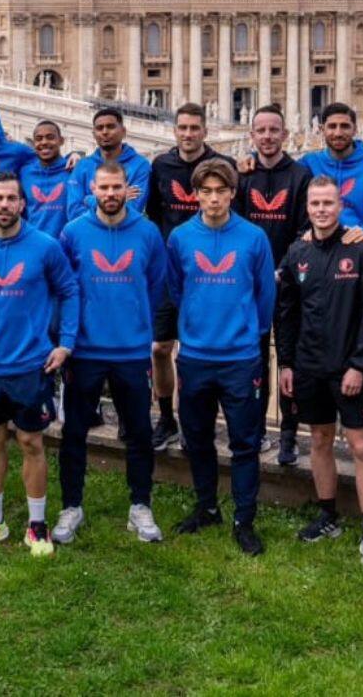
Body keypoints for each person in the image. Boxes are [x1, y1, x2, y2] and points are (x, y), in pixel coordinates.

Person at [0, 171, 78, 556]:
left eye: (11, 199)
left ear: (23, 203)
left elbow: (69, 292)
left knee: (30, 441)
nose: (4, 205)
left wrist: (66, 344)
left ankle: (38, 525)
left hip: (30, 365)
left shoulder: (45, 246)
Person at [164, 157, 277, 556]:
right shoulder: (179, 237)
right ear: (196, 195)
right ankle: (206, 505)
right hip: (195, 354)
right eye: (206, 192)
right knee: (197, 437)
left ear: (233, 193)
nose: (213, 199)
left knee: (244, 443)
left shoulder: (253, 237)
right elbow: (176, 289)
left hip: (240, 356)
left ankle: (244, 520)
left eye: (221, 191)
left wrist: (246, 331)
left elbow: (265, 297)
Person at [53, 158, 168, 545]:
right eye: (103, 188)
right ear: (93, 191)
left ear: (127, 189)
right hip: (85, 350)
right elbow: (64, 287)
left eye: (117, 187)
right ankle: (72, 506)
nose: (110, 194)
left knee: (138, 431)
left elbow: (155, 285)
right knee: (73, 431)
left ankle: (140, 504)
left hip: (131, 350)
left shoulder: (148, 233)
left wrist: (139, 323)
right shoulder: (72, 233)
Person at [275, 176, 363, 563]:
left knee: (361, 446)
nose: (322, 210)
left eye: (328, 203)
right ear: (307, 208)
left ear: (340, 207)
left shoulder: (360, 250)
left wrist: (359, 365)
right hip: (308, 366)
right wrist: (286, 363)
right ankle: (328, 515)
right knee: (319, 440)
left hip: (350, 369)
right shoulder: (296, 253)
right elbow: (286, 313)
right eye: (315, 204)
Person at [234, 104, 313, 465]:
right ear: (252, 136)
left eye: (273, 130)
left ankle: (289, 434)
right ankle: (258, 428)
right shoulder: (242, 177)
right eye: (260, 130)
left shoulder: (300, 175)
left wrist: (280, 269)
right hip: (250, 284)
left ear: (285, 134)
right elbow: (235, 227)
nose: (267, 136)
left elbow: (304, 230)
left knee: (288, 359)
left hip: (289, 281)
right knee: (255, 358)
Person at [144, 102, 212, 452]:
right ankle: (166, 417)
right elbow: (154, 214)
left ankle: (193, 423)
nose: (188, 134)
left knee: (195, 352)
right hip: (170, 269)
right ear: (175, 131)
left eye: (194, 128)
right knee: (159, 347)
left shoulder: (220, 166)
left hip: (206, 272)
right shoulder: (161, 166)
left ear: (205, 130)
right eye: (182, 128)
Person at [301, 102, 363, 241]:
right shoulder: (308, 163)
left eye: (344, 126)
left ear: (355, 129)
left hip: (360, 244)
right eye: (332, 126)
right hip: (320, 244)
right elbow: (281, 169)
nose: (338, 133)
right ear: (321, 129)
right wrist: (254, 158)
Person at [71, 107, 150, 217]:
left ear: (123, 132)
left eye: (110, 127)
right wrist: (119, 198)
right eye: (99, 128)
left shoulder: (140, 166)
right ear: (94, 134)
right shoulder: (82, 166)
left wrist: (89, 200)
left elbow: (133, 210)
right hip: (87, 233)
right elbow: (73, 212)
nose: (104, 132)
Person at [20, 120, 78, 239]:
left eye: (50, 137)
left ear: (61, 141)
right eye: (39, 139)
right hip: (34, 245)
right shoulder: (25, 173)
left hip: (65, 248)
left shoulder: (74, 170)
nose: (44, 142)